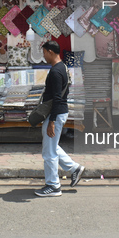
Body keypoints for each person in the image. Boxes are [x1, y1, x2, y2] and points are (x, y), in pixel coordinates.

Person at [35, 40, 84, 197]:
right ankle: (74, 168)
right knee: (52, 146)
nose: (43, 56)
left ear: (50, 51)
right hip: (59, 112)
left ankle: (53, 185)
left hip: (55, 114)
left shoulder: (56, 72)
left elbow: (57, 97)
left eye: (44, 53)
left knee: (49, 152)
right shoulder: (63, 67)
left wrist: (52, 121)